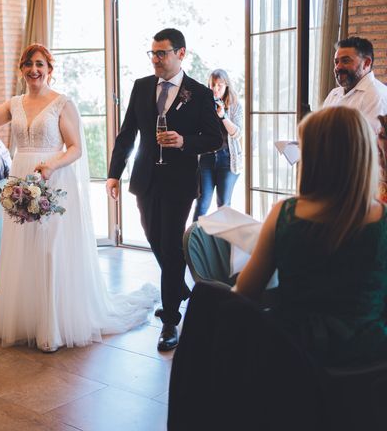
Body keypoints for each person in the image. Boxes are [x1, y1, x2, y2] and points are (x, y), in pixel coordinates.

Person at [0, 43, 158, 353]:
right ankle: (27, 320)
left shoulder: (62, 103)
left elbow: (76, 148)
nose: (34, 70)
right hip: (21, 180)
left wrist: (51, 165)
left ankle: (52, 327)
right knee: (24, 249)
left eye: (40, 64)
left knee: (50, 250)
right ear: (22, 70)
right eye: (28, 64)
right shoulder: (14, 104)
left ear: (50, 69)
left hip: (53, 180)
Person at [235, 106, 387, 366]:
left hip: (296, 357)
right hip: (367, 364)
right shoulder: (382, 218)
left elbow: (244, 292)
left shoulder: (285, 214)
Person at [106, 28, 223, 351]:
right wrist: (114, 174)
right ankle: (178, 286)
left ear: (180, 54)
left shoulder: (198, 93)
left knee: (171, 244)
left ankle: (170, 319)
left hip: (180, 182)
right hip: (144, 177)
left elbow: (216, 139)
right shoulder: (142, 87)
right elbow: (127, 133)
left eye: (162, 53)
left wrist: (185, 141)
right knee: (153, 236)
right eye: (153, 53)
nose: (156, 59)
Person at [193, 69, 244, 220]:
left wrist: (223, 116)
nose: (215, 89)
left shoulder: (235, 106)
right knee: (202, 203)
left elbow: (237, 133)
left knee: (223, 205)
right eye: (212, 85)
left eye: (219, 85)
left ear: (226, 85)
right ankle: (191, 242)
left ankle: (222, 243)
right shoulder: (203, 105)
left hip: (228, 159)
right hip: (207, 158)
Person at [322, 36, 387, 134]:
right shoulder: (334, 94)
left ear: (366, 63)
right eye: (336, 62)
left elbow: (369, 144)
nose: (338, 67)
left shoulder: (376, 96)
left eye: (345, 61)